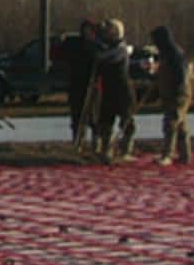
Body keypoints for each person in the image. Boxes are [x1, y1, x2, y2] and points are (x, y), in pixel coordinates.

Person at [89, 17, 138, 163]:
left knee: (126, 121)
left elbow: (104, 58)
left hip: (123, 91)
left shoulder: (121, 49)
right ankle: (106, 150)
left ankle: (125, 150)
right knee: (106, 121)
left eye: (108, 30)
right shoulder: (106, 47)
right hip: (109, 91)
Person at [55, 19, 100, 152]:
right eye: (84, 29)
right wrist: (60, 42)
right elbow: (60, 53)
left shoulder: (96, 45)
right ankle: (77, 143)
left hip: (92, 86)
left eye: (89, 30)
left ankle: (96, 143)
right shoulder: (75, 44)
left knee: (93, 116)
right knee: (77, 116)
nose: (86, 32)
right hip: (77, 85)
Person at [151, 23, 193, 166]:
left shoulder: (175, 54)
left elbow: (182, 75)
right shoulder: (166, 54)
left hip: (179, 94)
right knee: (180, 126)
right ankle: (185, 156)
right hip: (170, 94)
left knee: (171, 123)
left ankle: (167, 155)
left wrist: (179, 92)